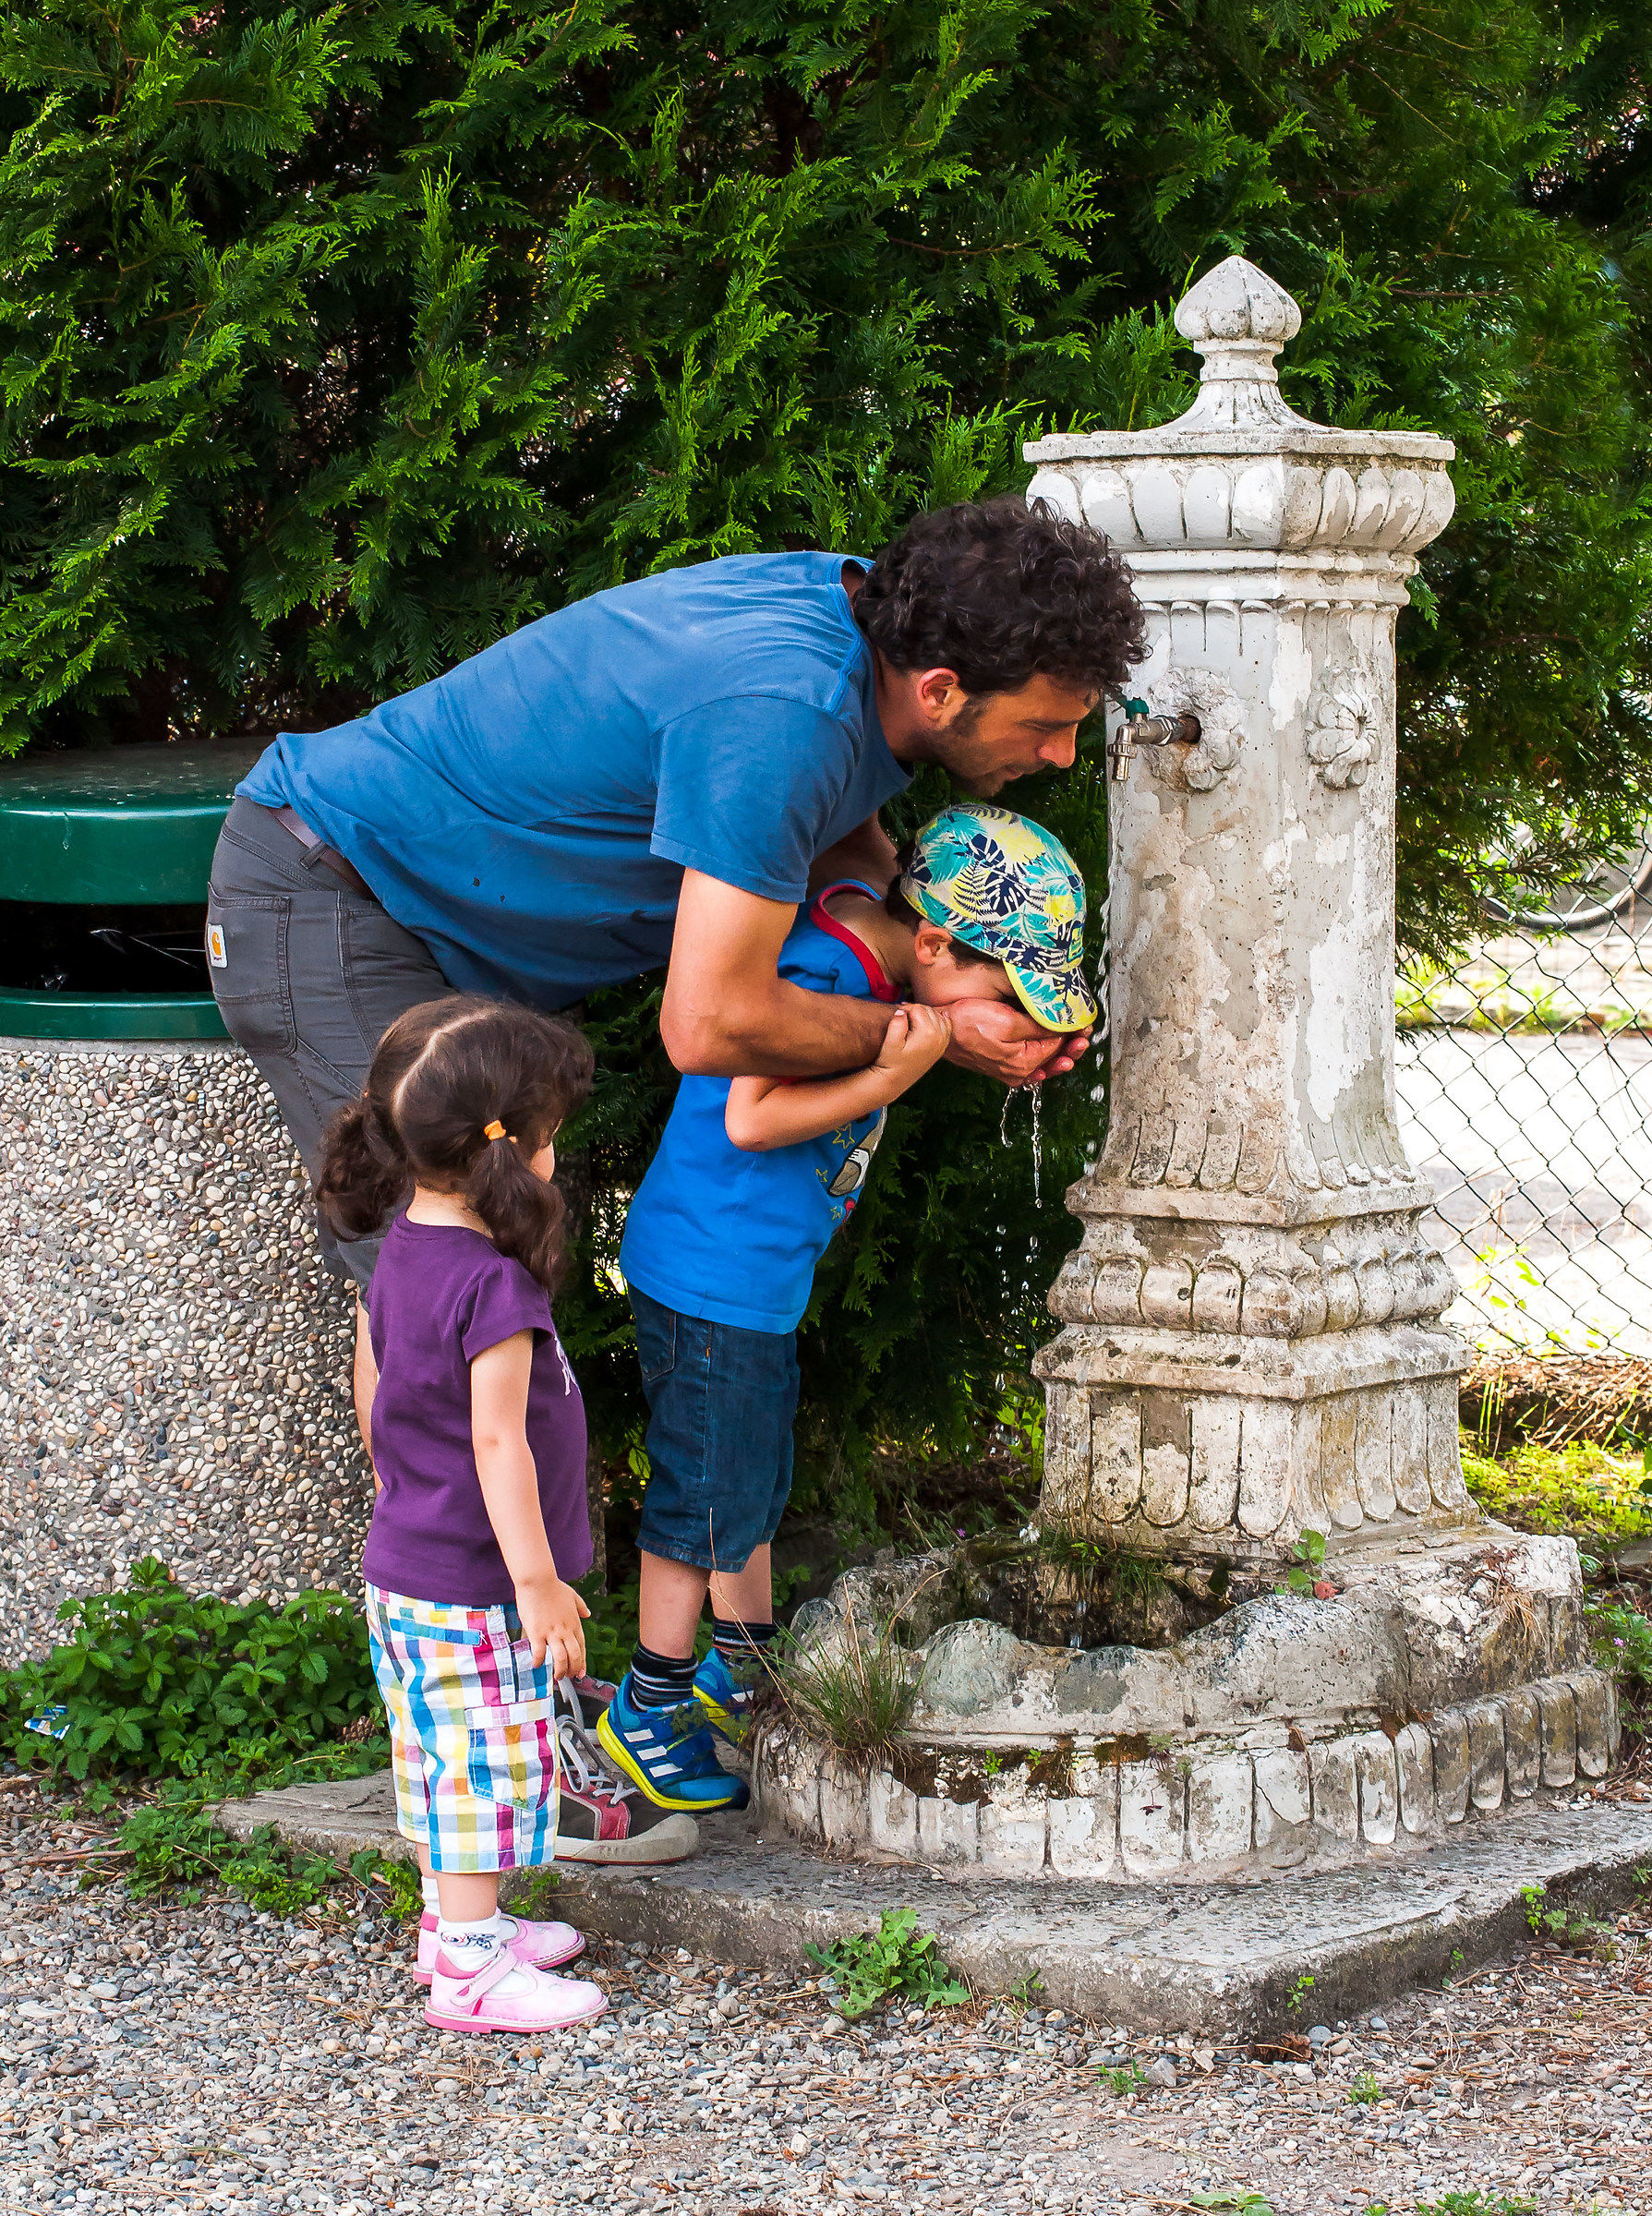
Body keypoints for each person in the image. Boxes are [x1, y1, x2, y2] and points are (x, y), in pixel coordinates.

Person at [208, 499, 1142, 1340]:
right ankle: (448, 1541)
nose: (1062, 756)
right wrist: (939, 1034)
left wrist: (968, 970)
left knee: (459, 1293)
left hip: (433, 917)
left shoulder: (863, 624)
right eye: (1042, 725)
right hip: (344, 896)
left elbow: (834, 847)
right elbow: (709, 1023)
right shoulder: (786, 712)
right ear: (939, 690)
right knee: (451, 1294)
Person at [596, 803, 1095, 1809]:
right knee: (704, 1490)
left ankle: (741, 1668)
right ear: (933, 942)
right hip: (713, 1273)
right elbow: (749, 1117)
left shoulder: (872, 939)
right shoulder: (830, 973)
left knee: (751, 1472)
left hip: (750, 1277)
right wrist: (896, 1067)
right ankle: (648, 1707)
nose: (1004, 1014)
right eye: (1004, 991)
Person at [313, 994, 691, 2035]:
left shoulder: (402, 1248)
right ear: (510, 1152)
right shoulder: (491, 1286)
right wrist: (536, 1581)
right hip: (474, 1579)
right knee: (479, 1768)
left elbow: (376, 1379)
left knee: (443, 1752)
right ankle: (471, 1974)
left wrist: (394, 1486)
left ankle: (454, 1926)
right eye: (553, 1138)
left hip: (412, 1559)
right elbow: (497, 1440)